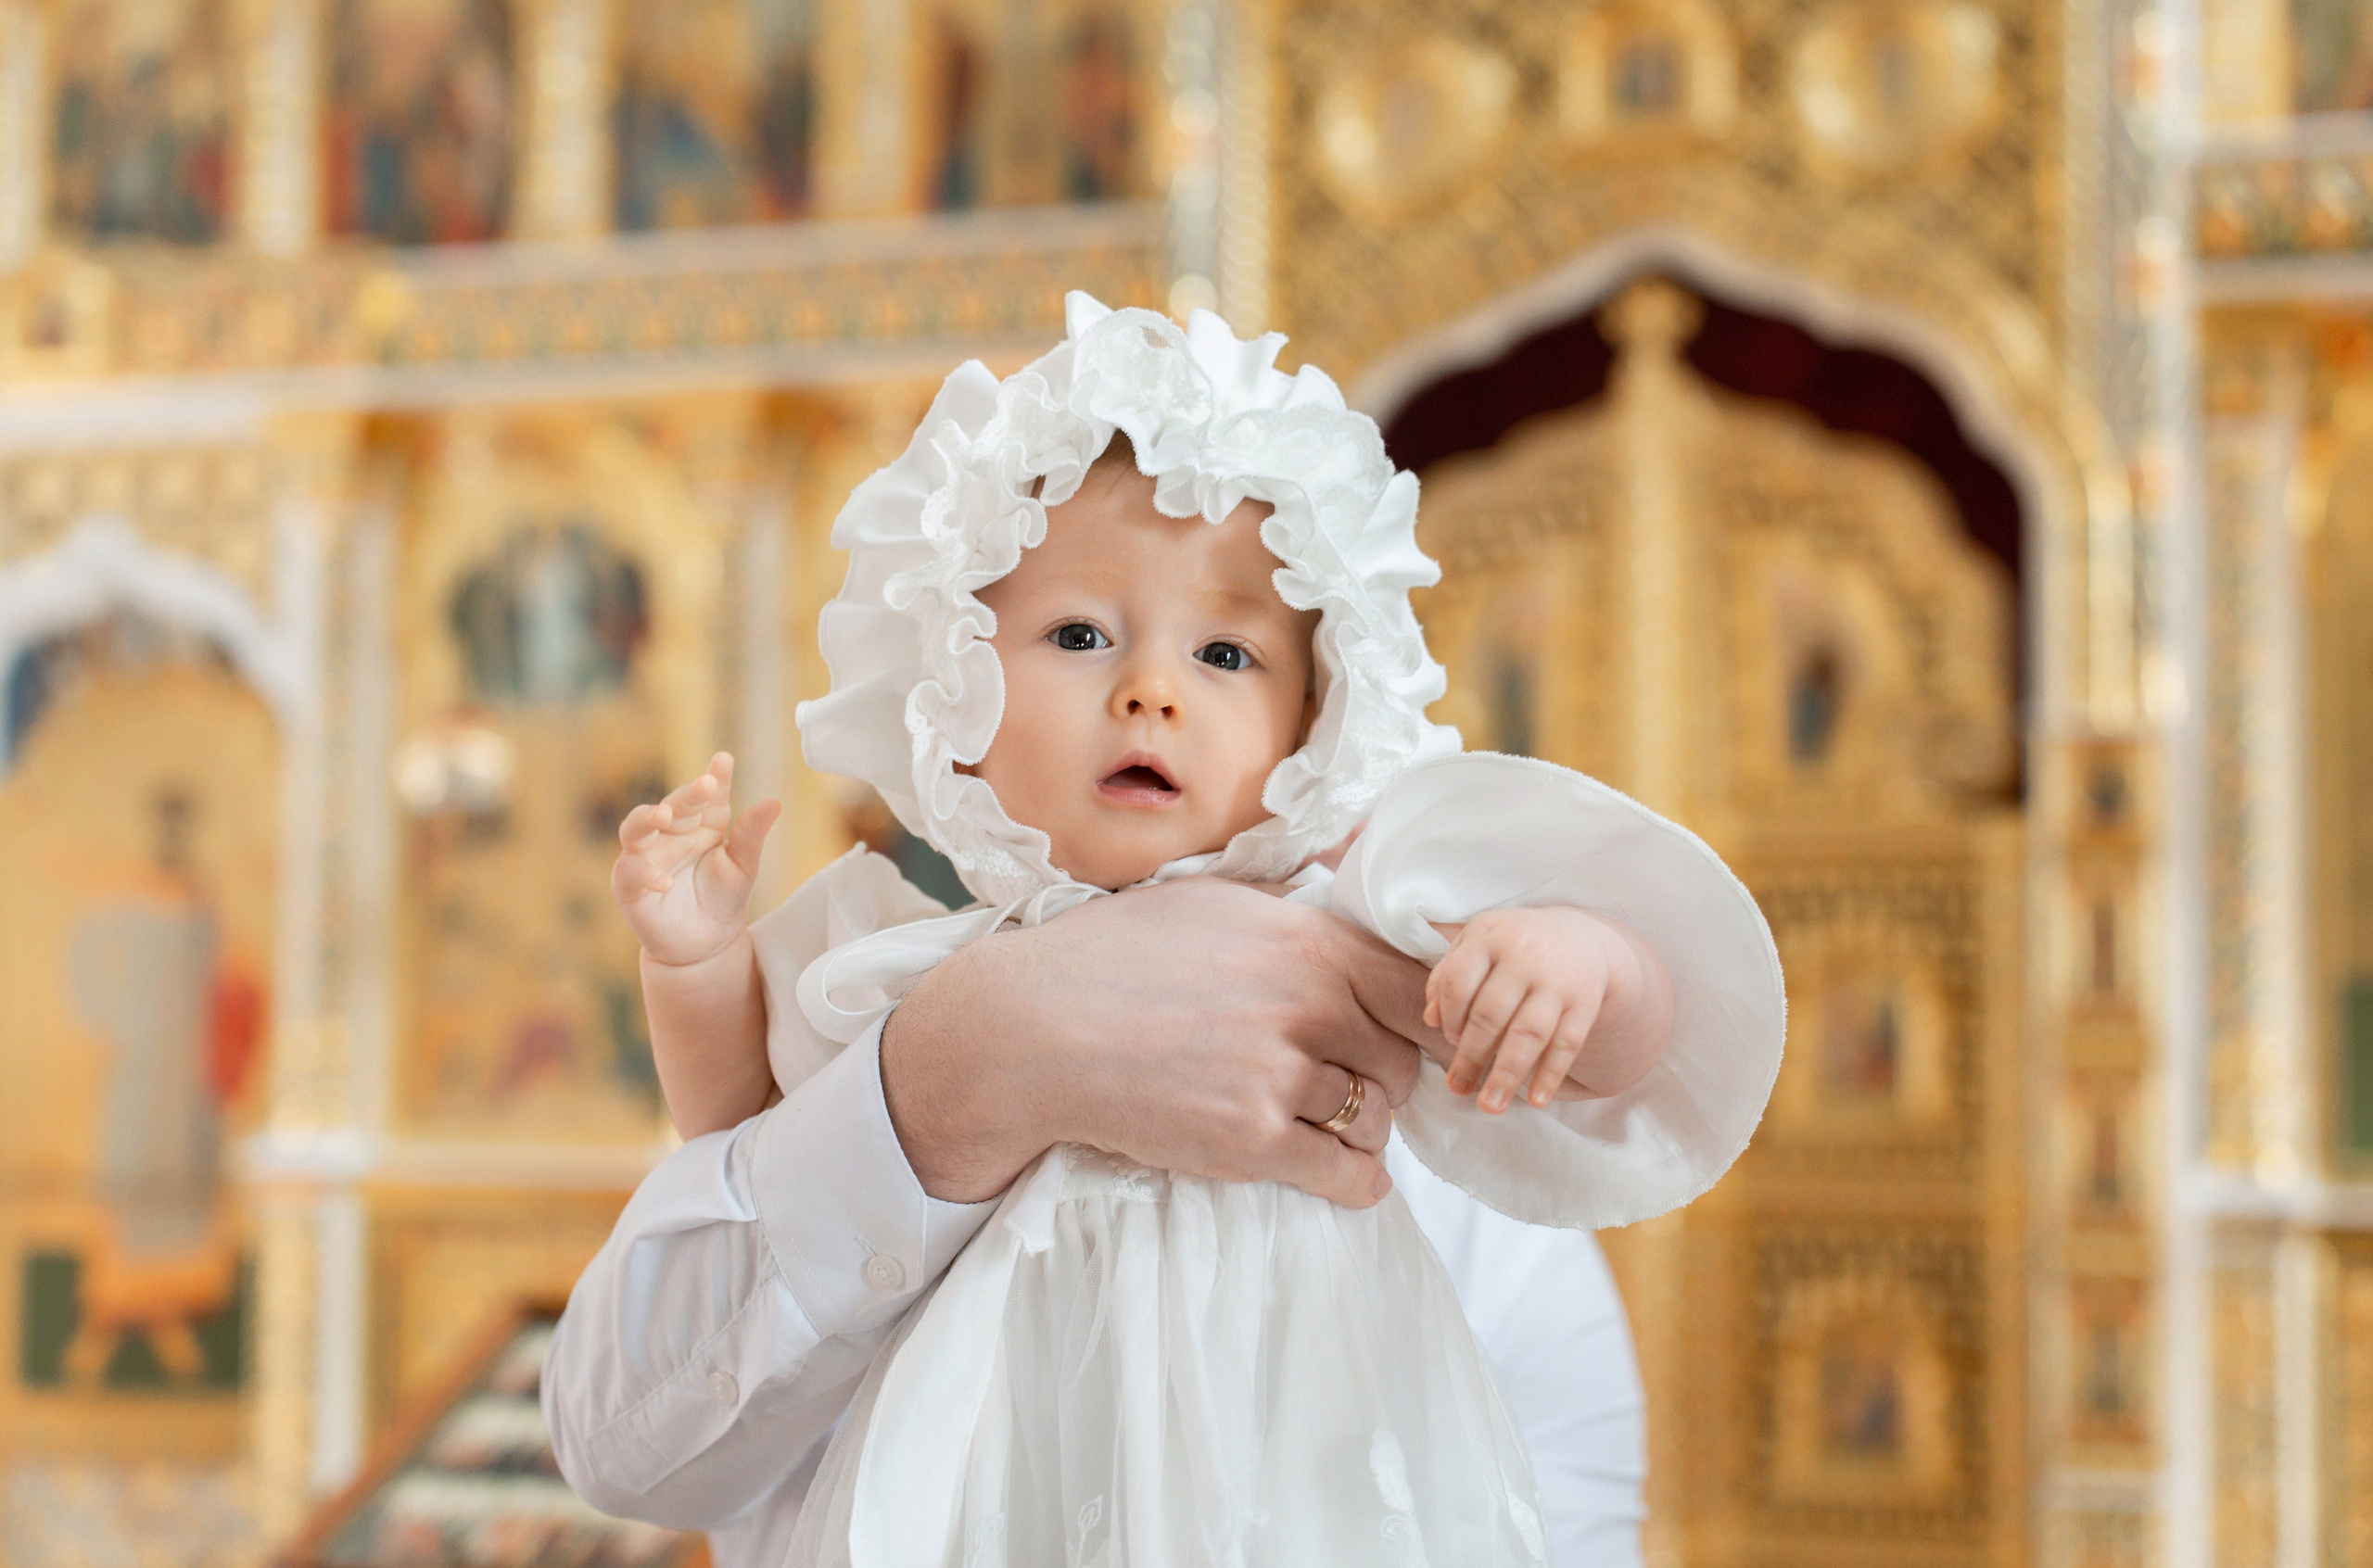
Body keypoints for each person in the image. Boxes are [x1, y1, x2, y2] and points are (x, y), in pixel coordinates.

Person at [543, 297, 1785, 1565]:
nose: (1151, 689)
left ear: (1320, 720)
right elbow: (742, 1119)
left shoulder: (1361, 932)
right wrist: (693, 961)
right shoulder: (911, 955)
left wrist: (1577, 964)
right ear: (953, 688)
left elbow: (1618, 1065)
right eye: (1079, 635)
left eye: (1228, 655)